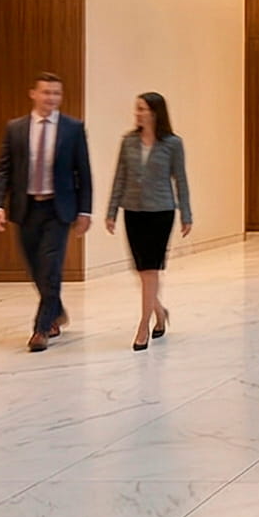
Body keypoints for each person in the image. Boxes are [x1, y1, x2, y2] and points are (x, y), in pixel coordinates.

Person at [0, 71, 92, 351]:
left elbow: (83, 172)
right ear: (33, 94)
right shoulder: (16, 128)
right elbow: (3, 169)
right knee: (35, 267)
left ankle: (41, 328)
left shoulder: (73, 129)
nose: (51, 98)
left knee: (51, 267)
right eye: (46, 92)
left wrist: (85, 211)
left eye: (56, 93)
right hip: (26, 208)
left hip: (58, 209)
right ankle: (56, 310)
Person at [104, 91, 194, 352]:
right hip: (133, 211)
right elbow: (120, 177)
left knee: (150, 270)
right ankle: (160, 311)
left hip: (161, 212)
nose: (138, 113)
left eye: (142, 109)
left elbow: (181, 179)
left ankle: (144, 325)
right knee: (141, 270)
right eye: (137, 108)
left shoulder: (173, 144)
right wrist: (112, 211)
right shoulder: (128, 142)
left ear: (155, 113)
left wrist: (186, 214)